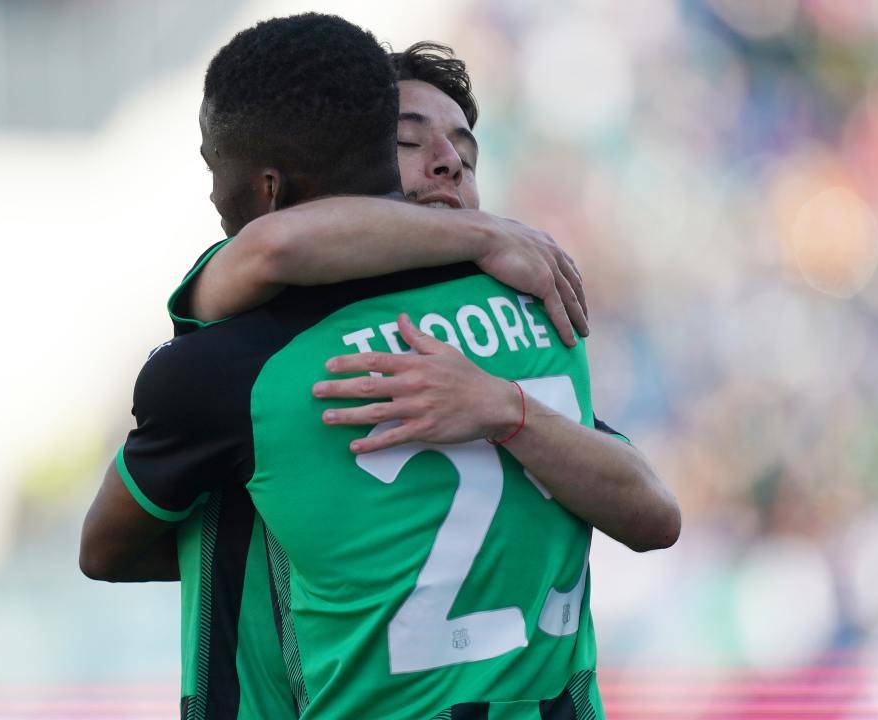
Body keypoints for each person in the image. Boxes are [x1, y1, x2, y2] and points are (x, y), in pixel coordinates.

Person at [81, 19, 678, 719]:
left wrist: (506, 413)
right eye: (407, 139)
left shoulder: (242, 366)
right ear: (361, 154)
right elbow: (271, 251)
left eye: (465, 148)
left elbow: (106, 550)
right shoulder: (532, 310)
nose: (448, 162)